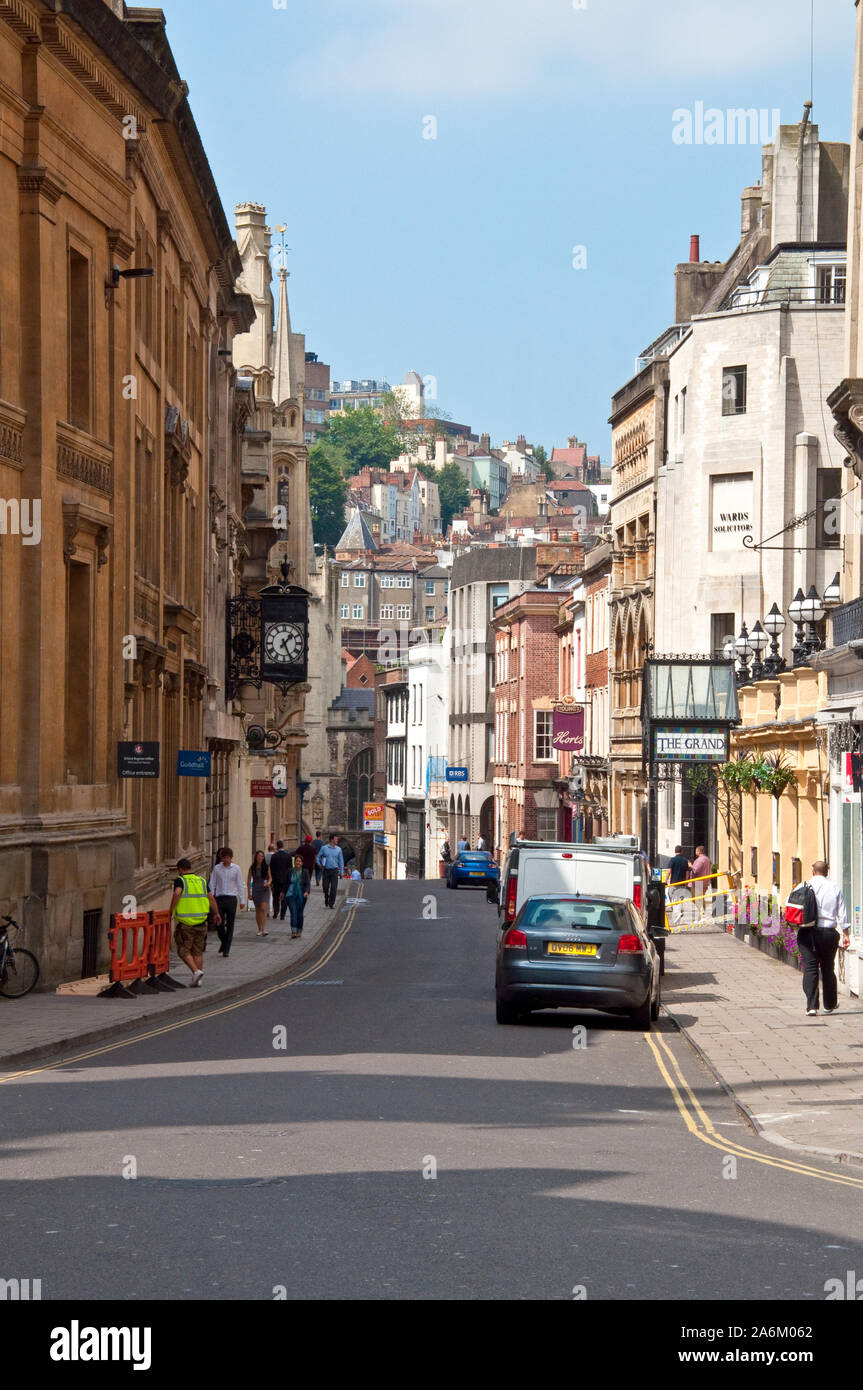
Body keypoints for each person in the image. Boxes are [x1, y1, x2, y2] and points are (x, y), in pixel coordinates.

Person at [800, 861, 851, 1016]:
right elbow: (842, 912)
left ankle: (811, 1006)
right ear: (827, 872)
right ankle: (829, 1004)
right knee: (828, 968)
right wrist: (846, 934)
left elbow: (794, 906)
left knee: (810, 968)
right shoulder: (834, 887)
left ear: (813, 871)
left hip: (807, 931)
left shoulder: (803, 886)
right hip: (828, 932)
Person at [170, 858, 221, 987]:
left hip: (186, 923)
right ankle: (198, 979)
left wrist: (171, 910)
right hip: (202, 922)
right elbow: (211, 899)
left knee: (182, 950)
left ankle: (196, 971)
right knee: (197, 951)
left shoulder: (180, 880)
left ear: (180, 869)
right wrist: (216, 913)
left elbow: (177, 893)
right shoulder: (201, 881)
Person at [208, 847, 246, 959]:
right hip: (219, 898)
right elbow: (212, 883)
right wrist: (210, 897)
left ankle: (226, 949)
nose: (226, 860)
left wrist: (242, 900)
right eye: (224, 858)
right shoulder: (217, 868)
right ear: (222, 857)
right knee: (219, 923)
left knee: (230, 924)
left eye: (228, 858)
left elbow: (240, 884)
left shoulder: (236, 869)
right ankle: (224, 942)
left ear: (231, 858)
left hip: (231, 899)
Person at [285, 854, 311, 939]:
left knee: (300, 913)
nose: (298, 862)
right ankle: (293, 931)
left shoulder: (305, 872)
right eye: (297, 861)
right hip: (290, 894)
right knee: (293, 912)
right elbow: (286, 884)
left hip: (301, 895)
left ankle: (299, 930)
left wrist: (306, 892)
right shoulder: (290, 871)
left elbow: (307, 884)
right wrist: (282, 893)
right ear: (294, 862)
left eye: (300, 861)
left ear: (302, 863)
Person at [248, 850, 272, 936]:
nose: (260, 857)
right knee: (258, 910)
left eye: (262, 856)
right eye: (259, 856)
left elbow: (270, 878)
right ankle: (259, 929)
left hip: (265, 889)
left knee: (263, 908)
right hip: (256, 889)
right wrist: (249, 894)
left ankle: (263, 929)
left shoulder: (266, 867)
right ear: (256, 857)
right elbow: (248, 881)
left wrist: (269, 883)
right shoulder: (252, 867)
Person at [317, 833, 344, 908]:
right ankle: (326, 898)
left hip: (335, 871)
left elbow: (341, 861)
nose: (337, 840)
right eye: (336, 839)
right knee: (325, 887)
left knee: (334, 888)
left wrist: (341, 872)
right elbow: (317, 857)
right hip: (326, 870)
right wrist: (319, 864)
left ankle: (331, 903)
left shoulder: (339, 849)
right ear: (332, 840)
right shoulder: (324, 848)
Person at [268, 839, 292, 920]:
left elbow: (271, 868)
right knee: (284, 897)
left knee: (276, 896)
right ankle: (283, 914)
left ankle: (276, 912)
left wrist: (272, 879)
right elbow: (290, 869)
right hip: (285, 880)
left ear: (277, 847)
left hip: (276, 880)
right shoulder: (288, 856)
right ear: (283, 846)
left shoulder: (274, 856)